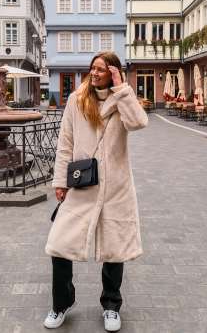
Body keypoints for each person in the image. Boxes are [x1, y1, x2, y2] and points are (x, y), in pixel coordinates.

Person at [44, 52, 148, 331]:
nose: (95, 73)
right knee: (59, 244)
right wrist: (60, 182)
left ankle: (111, 306)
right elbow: (65, 141)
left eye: (102, 69)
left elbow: (139, 123)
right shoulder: (77, 100)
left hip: (116, 186)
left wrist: (121, 89)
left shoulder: (122, 100)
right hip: (82, 183)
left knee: (114, 249)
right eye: (93, 68)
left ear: (113, 72)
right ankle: (62, 303)